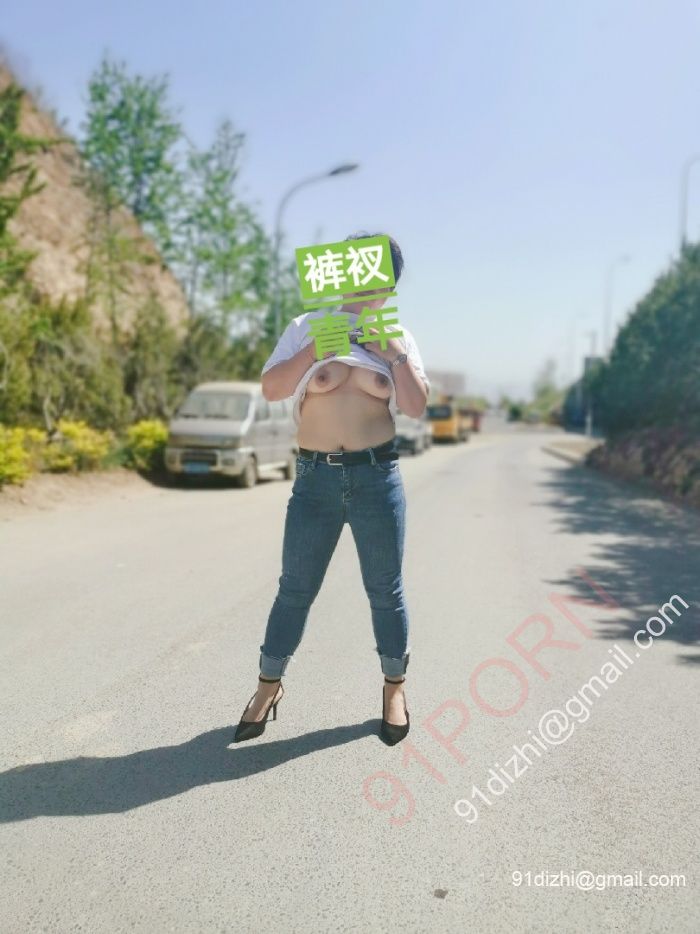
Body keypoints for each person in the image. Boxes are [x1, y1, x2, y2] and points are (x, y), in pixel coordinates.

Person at [234, 232, 430, 746]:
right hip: (315, 480)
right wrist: (314, 351)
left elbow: (414, 406)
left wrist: (393, 355)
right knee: (295, 589)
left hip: (376, 478)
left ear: (388, 284)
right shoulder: (306, 326)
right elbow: (272, 388)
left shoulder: (399, 336)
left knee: (385, 591)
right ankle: (268, 685)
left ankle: (394, 689)